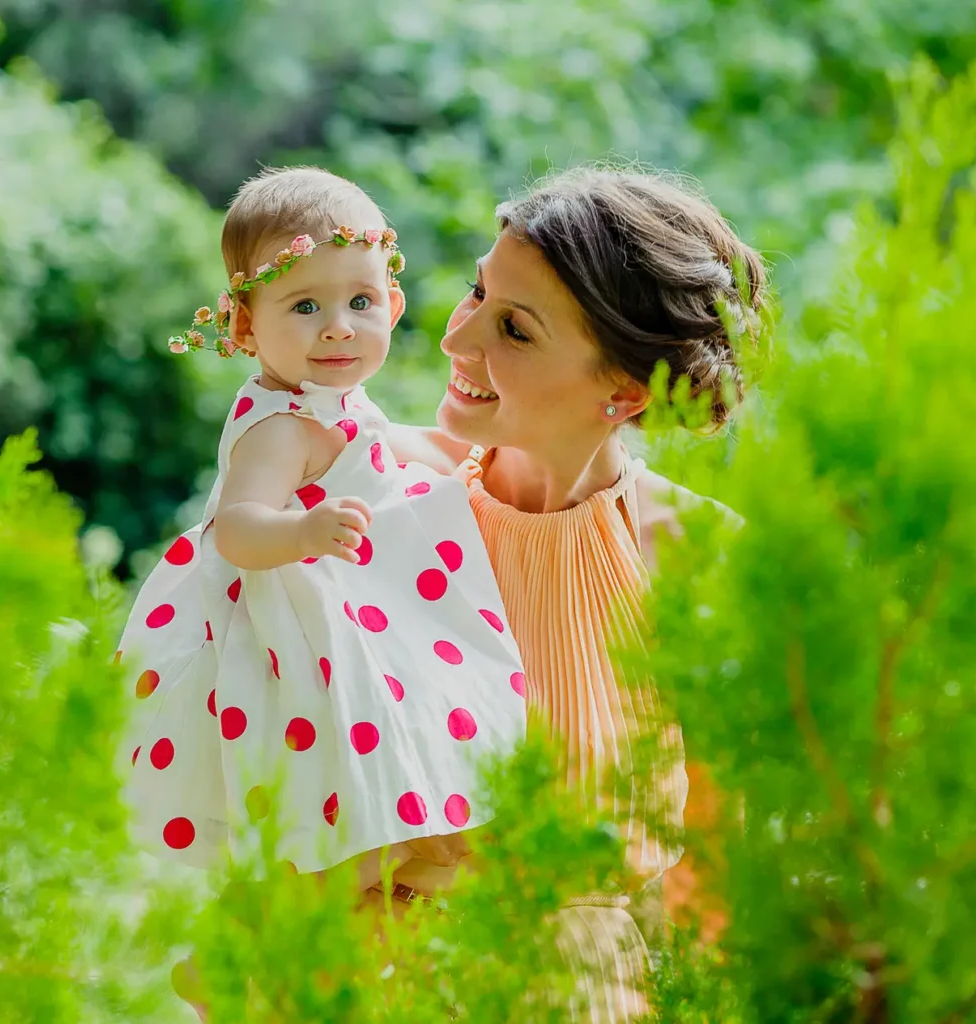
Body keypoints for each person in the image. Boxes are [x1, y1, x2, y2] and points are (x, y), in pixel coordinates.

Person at [389, 166, 766, 1020]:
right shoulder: (378, 502)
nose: (458, 340)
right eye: (475, 293)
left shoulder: (698, 556)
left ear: (623, 392)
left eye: (513, 328)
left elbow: (717, 864)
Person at [116, 167, 527, 917]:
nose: (339, 326)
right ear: (244, 325)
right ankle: (317, 889)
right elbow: (235, 529)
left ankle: (409, 836)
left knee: (411, 706)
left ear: (392, 305)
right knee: (331, 753)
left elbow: (377, 437)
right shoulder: (275, 428)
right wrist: (302, 530)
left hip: (359, 590)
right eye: (306, 305)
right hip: (299, 615)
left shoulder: (327, 397)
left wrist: (451, 456)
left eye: (360, 302)